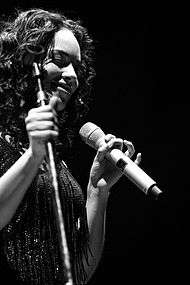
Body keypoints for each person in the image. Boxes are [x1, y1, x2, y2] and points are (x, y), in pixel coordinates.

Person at [0, 8, 141, 285]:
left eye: (77, 66)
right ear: (25, 61)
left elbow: (78, 275)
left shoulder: (56, 164)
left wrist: (96, 190)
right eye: (59, 60)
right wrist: (32, 155)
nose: (72, 75)